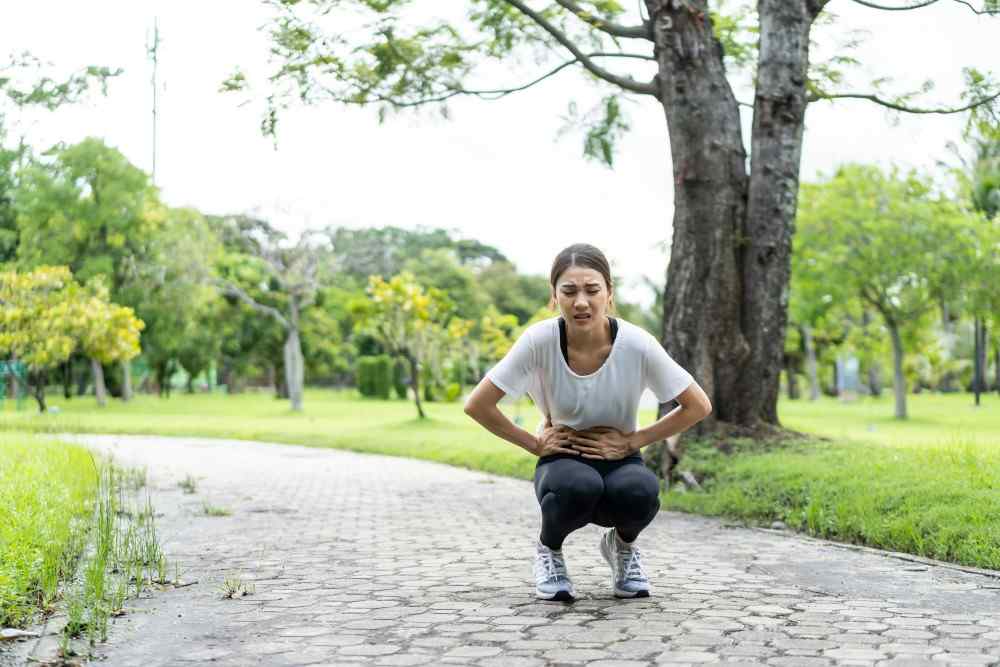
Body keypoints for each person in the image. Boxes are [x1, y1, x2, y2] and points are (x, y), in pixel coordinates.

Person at [464, 243, 712, 601]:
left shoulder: (637, 344)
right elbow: (479, 404)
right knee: (577, 487)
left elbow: (697, 405)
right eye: (569, 291)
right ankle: (549, 552)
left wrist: (633, 441)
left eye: (592, 290)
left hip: (619, 457)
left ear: (609, 294)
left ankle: (622, 549)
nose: (581, 302)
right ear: (554, 297)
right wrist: (534, 444)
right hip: (562, 458)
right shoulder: (538, 341)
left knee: (640, 493)